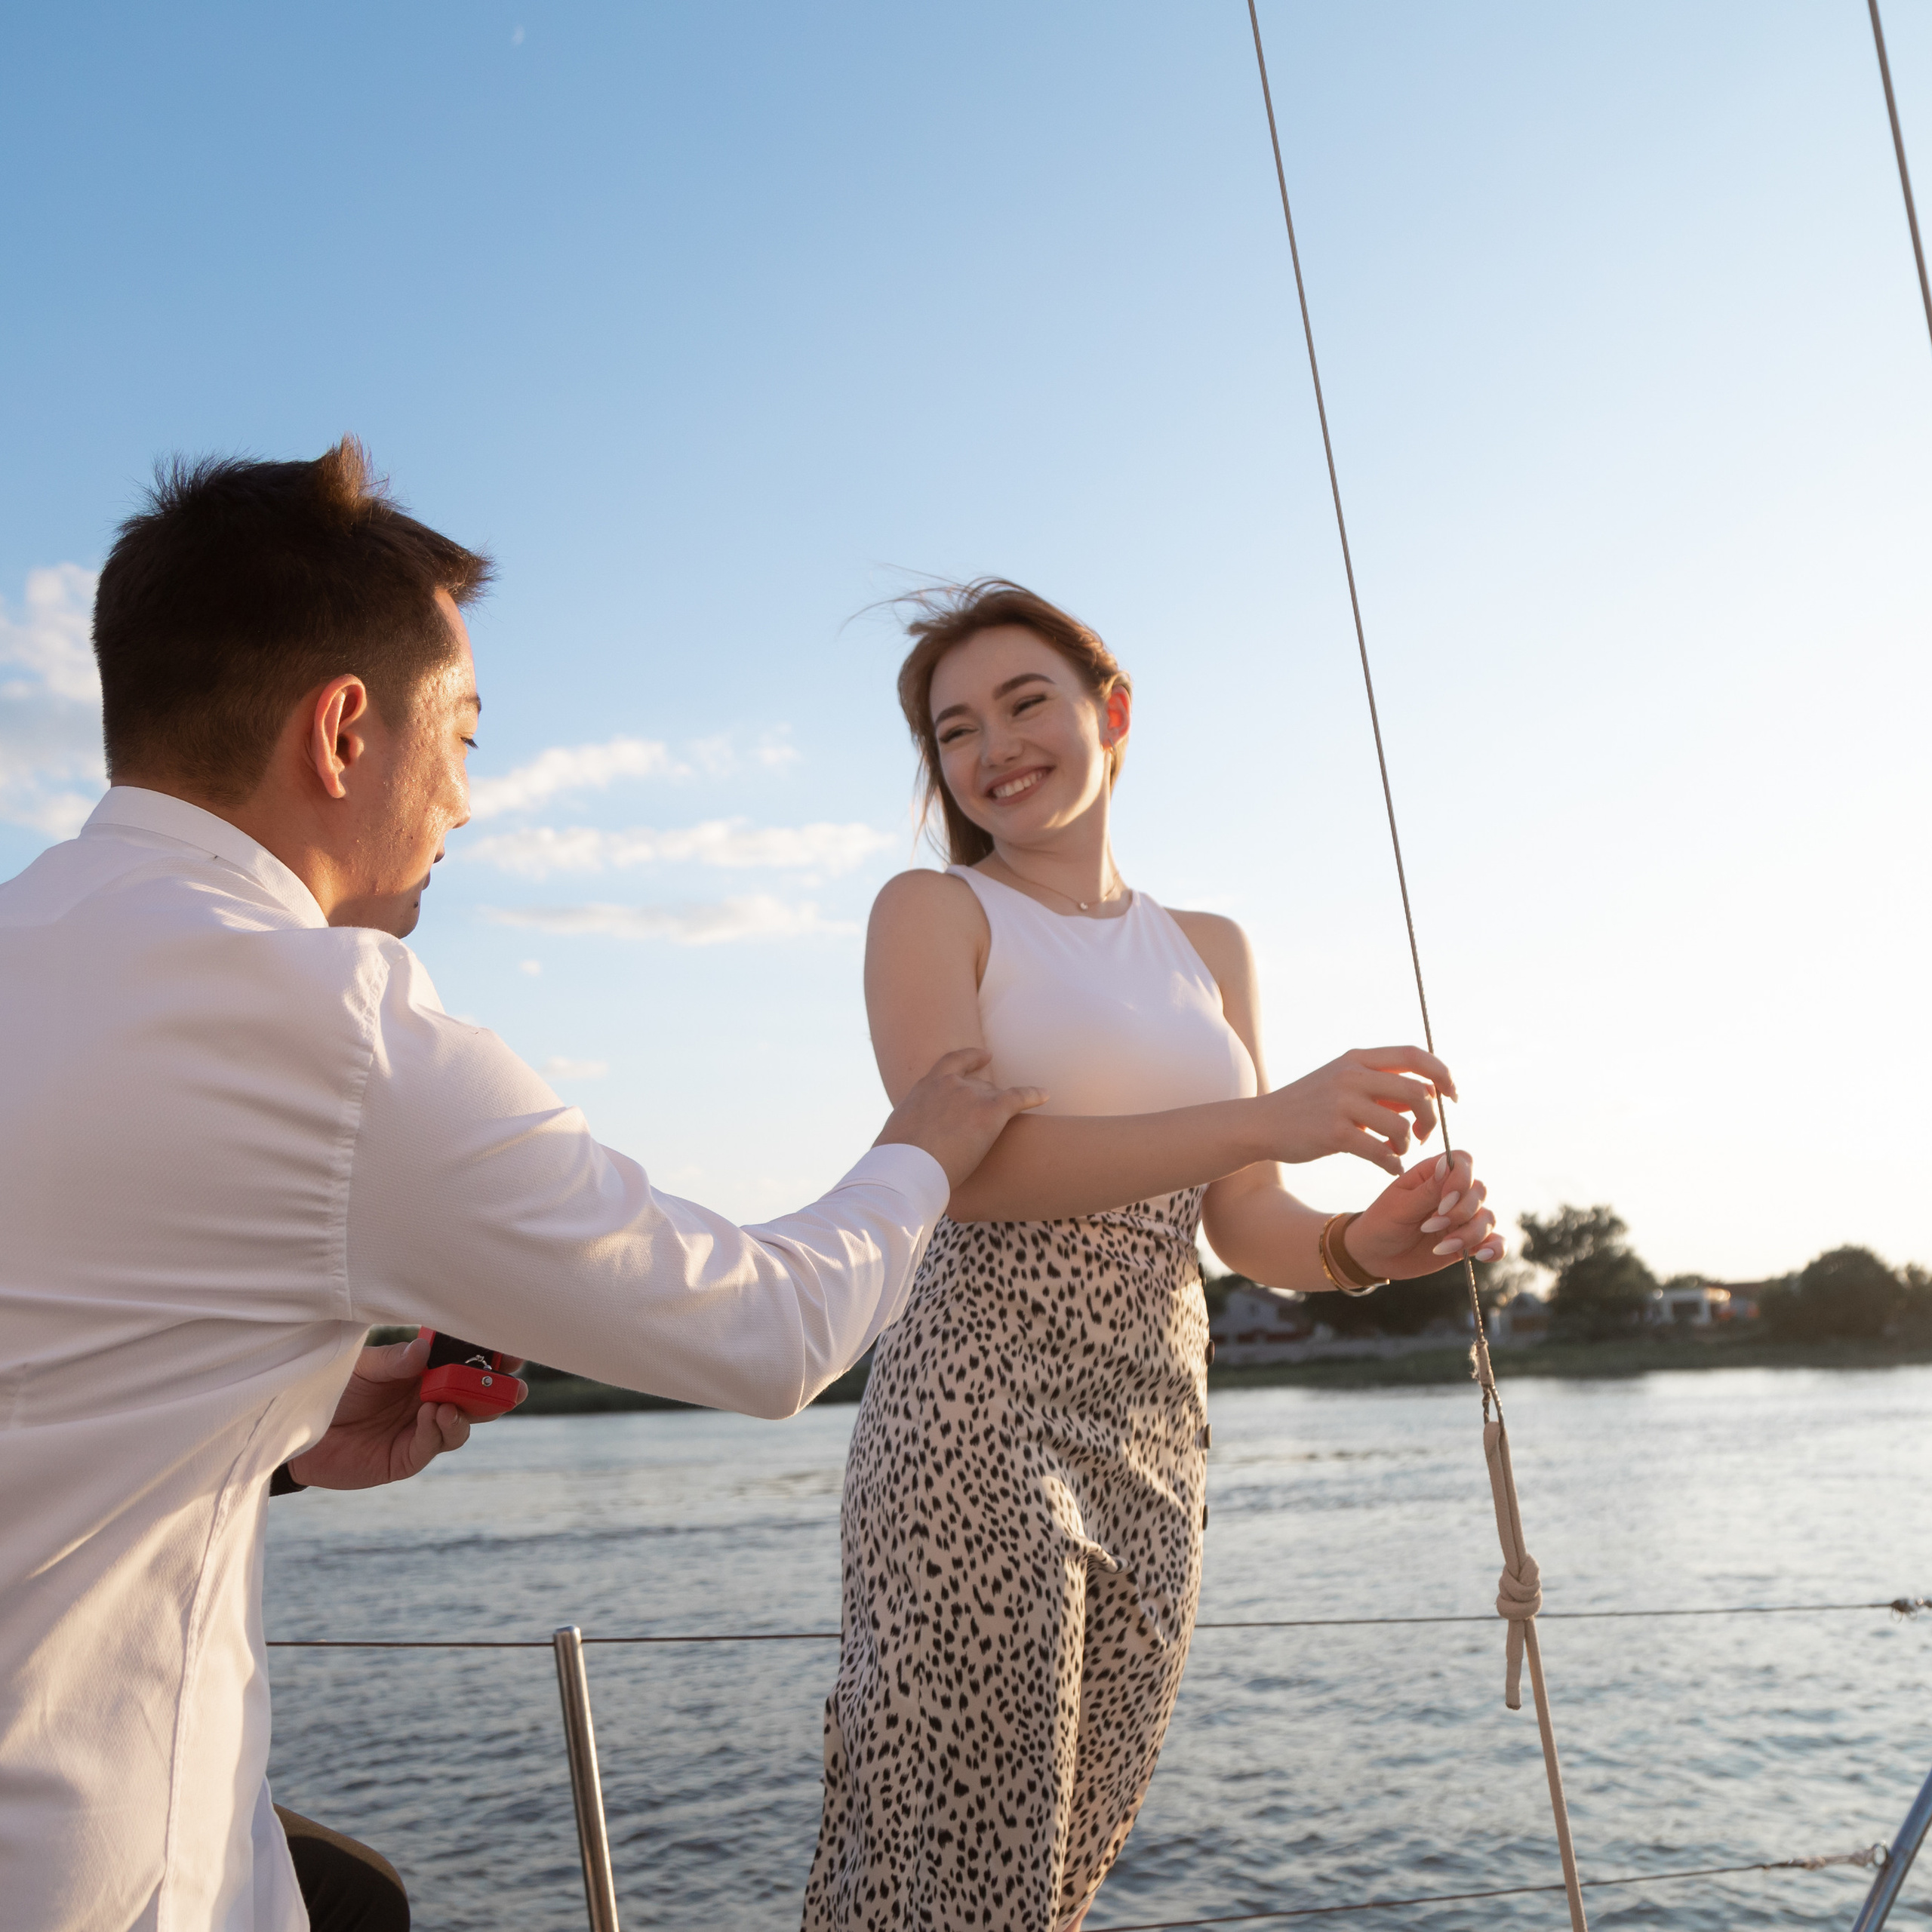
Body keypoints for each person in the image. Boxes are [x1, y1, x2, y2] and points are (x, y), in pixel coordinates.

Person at [0, 445, 1043, 1932]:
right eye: (467, 737)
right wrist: (921, 1145)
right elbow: (766, 1331)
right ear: (347, 729)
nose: (467, 805)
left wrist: (288, 1433)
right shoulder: (335, 1031)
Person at [801, 582, 1504, 1932]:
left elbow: (1244, 1217)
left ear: (1109, 716)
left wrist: (1364, 1246)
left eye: (1025, 704)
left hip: (1158, 1425)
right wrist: (1269, 1110)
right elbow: (970, 1174)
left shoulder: (1211, 948)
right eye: (955, 732)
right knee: (953, 1865)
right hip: (975, 1411)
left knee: (1066, 1862)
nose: (993, 748)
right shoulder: (933, 913)